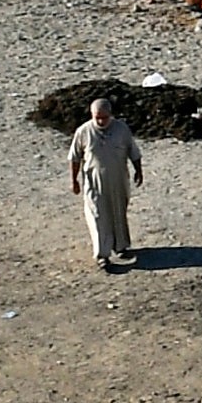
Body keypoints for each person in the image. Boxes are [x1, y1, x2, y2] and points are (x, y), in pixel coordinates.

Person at [69, 93, 144, 270]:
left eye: (104, 118)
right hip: (94, 182)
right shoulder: (83, 132)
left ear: (111, 115)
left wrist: (138, 171)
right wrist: (74, 180)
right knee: (98, 216)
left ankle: (121, 246)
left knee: (118, 212)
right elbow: (74, 158)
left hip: (118, 180)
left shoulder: (121, 129)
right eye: (97, 118)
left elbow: (133, 151)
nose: (101, 122)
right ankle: (102, 254)